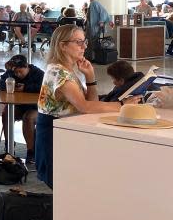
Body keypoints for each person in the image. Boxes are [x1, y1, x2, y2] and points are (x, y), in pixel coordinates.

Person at [36, 25, 129, 189]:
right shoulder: (58, 72)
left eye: (84, 42)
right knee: (63, 189)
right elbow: (85, 107)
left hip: (63, 133)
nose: (84, 46)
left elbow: (90, 104)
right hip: (53, 135)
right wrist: (122, 105)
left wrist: (90, 77)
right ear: (62, 46)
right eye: (78, 42)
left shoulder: (67, 72)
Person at [0, 54, 44, 165]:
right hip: (19, 105)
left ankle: (31, 151)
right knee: (6, 113)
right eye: (16, 72)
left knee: (28, 118)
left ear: (27, 66)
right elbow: (0, 84)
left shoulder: (38, 74)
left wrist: (25, 88)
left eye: (20, 72)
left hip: (37, 107)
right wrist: (11, 85)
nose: (17, 74)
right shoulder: (11, 72)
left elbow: (44, 89)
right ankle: (9, 145)